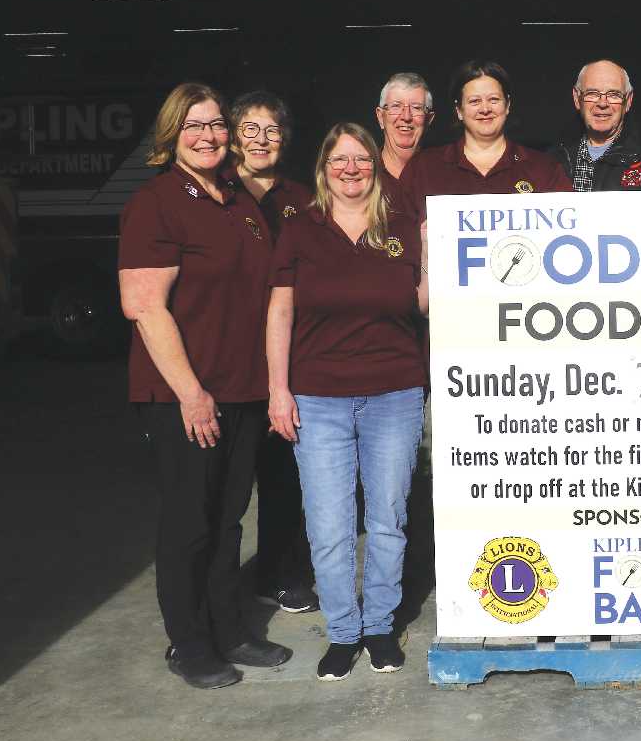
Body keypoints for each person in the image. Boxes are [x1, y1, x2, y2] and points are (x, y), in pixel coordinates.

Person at [118, 83, 292, 689]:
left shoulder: (238, 199)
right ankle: (188, 643)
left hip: (240, 388)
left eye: (218, 124)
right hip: (183, 395)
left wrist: (271, 383)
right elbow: (143, 304)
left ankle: (231, 630)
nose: (209, 135)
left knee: (227, 520)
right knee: (190, 520)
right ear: (171, 135)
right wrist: (192, 392)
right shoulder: (158, 202)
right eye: (194, 126)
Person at [266, 122, 429, 681]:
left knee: (387, 520)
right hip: (319, 398)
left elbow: (427, 301)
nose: (352, 168)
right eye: (340, 159)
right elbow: (280, 313)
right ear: (324, 167)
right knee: (330, 525)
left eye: (361, 158)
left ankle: (380, 626)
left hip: (395, 394)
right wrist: (278, 390)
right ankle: (342, 632)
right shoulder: (300, 230)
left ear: (375, 166)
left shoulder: (404, 227)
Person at [228, 90, 318, 615]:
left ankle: (280, 573)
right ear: (233, 134)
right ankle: (219, 585)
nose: (262, 140)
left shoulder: (301, 198)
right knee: (233, 481)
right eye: (250, 128)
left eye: (273, 129)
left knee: (285, 475)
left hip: (289, 353)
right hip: (233, 354)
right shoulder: (217, 193)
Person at [397, 59, 572, 212]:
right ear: (459, 110)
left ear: (508, 105)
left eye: (494, 99)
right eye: (474, 101)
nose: (485, 109)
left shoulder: (544, 169)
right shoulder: (423, 169)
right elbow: (398, 233)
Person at [555, 58, 641, 191]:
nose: (602, 104)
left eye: (614, 95)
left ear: (628, 101)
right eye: (592, 94)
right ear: (576, 98)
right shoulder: (553, 159)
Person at [375, 72, 435, 181]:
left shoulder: (444, 175)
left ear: (429, 119)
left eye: (416, 108)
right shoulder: (364, 173)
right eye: (396, 106)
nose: (406, 117)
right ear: (380, 117)